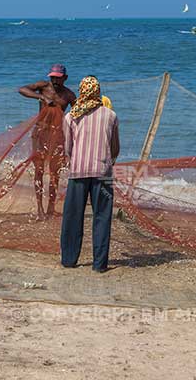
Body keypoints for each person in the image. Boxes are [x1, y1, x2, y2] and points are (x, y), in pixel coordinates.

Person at [60, 76, 120, 273]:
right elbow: (115, 148)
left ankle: (69, 260)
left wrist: (76, 159)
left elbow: (68, 148)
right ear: (98, 91)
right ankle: (99, 264)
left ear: (81, 91)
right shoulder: (110, 115)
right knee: (102, 217)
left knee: (72, 216)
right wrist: (107, 161)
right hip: (103, 173)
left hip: (78, 171)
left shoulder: (71, 116)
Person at [19, 64, 76, 220]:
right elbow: (22, 89)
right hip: (40, 134)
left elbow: (77, 113)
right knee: (39, 170)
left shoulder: (69, 95)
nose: (55, 81)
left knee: (55, 172)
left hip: (57, 136)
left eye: (58, 78)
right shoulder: (43, 87)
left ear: (65, 78)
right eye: (53, 77)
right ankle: (40, 209)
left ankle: (51, 207)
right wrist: (41, 97)